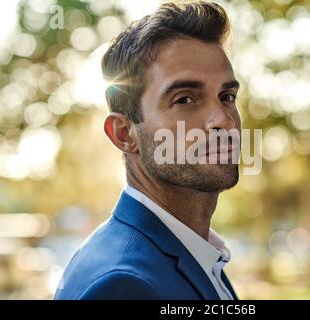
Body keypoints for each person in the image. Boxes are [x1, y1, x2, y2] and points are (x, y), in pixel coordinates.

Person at [54, 1, 241, 300]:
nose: (223, 119)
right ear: (124, 134)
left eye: (227, 96)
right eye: (185, 99)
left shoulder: (196, 251)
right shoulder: (123, 285)